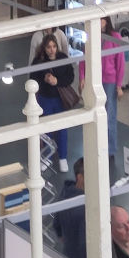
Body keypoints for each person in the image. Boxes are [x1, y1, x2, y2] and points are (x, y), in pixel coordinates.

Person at [78, 19, 125, 173]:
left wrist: (119, 85)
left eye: (101, 20)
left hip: (110, 82)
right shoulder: (91, 37)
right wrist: (82, 77)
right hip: (94, 80)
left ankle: (110, 150)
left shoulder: (115, 37)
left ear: (106, 21)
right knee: (93, 114)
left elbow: (120, 62)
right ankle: (95, 146)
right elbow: (84, 59)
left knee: (109, 116)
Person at [31, 32, 75, 173]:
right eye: (49, 47)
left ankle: (62, 157)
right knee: (46, 129)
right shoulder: (38, 61)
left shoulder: (63, 58)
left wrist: (57, 81)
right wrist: (44, 79)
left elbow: (70, 77)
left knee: (62, 128)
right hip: (45, 99)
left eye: (54, 46)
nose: (52, 50)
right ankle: (47, 157)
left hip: (60, 100)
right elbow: (32, 78)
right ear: (44, 48)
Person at [55, 158, 87, 258]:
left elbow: (57, 225)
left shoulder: (64, 194)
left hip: (68, 256)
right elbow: (84, 246)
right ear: (80, 177)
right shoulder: (84, 207)